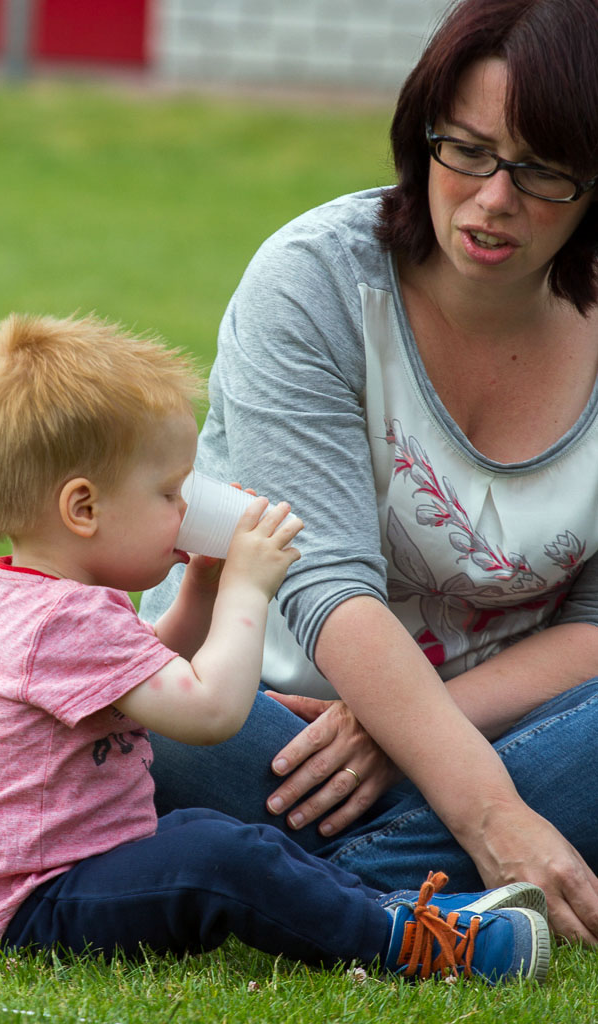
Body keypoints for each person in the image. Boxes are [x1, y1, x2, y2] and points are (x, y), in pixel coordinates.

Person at [142, 0, 598, 946]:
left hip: (505, 729)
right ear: (418, 133)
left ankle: (303, 887)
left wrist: (408, 737)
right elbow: (323, 584)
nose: (491, 199)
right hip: (267, 725)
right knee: (129, 717)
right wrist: (490, 815)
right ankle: (446, 873)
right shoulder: (312, 280)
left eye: (542, 168)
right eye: (464, 149)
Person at [0, 312, 550, 982]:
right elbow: (209, 714)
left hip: (74, 868)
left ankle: (395, 911)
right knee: (220, 856)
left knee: (212, 838)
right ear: (83, 509)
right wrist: (246, 591)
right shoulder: (57, 619)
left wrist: (199, 588)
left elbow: (142, 674)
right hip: (32, 907)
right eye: (169, 492)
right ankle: (412, 944)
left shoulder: (41, 598)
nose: (184, 507)